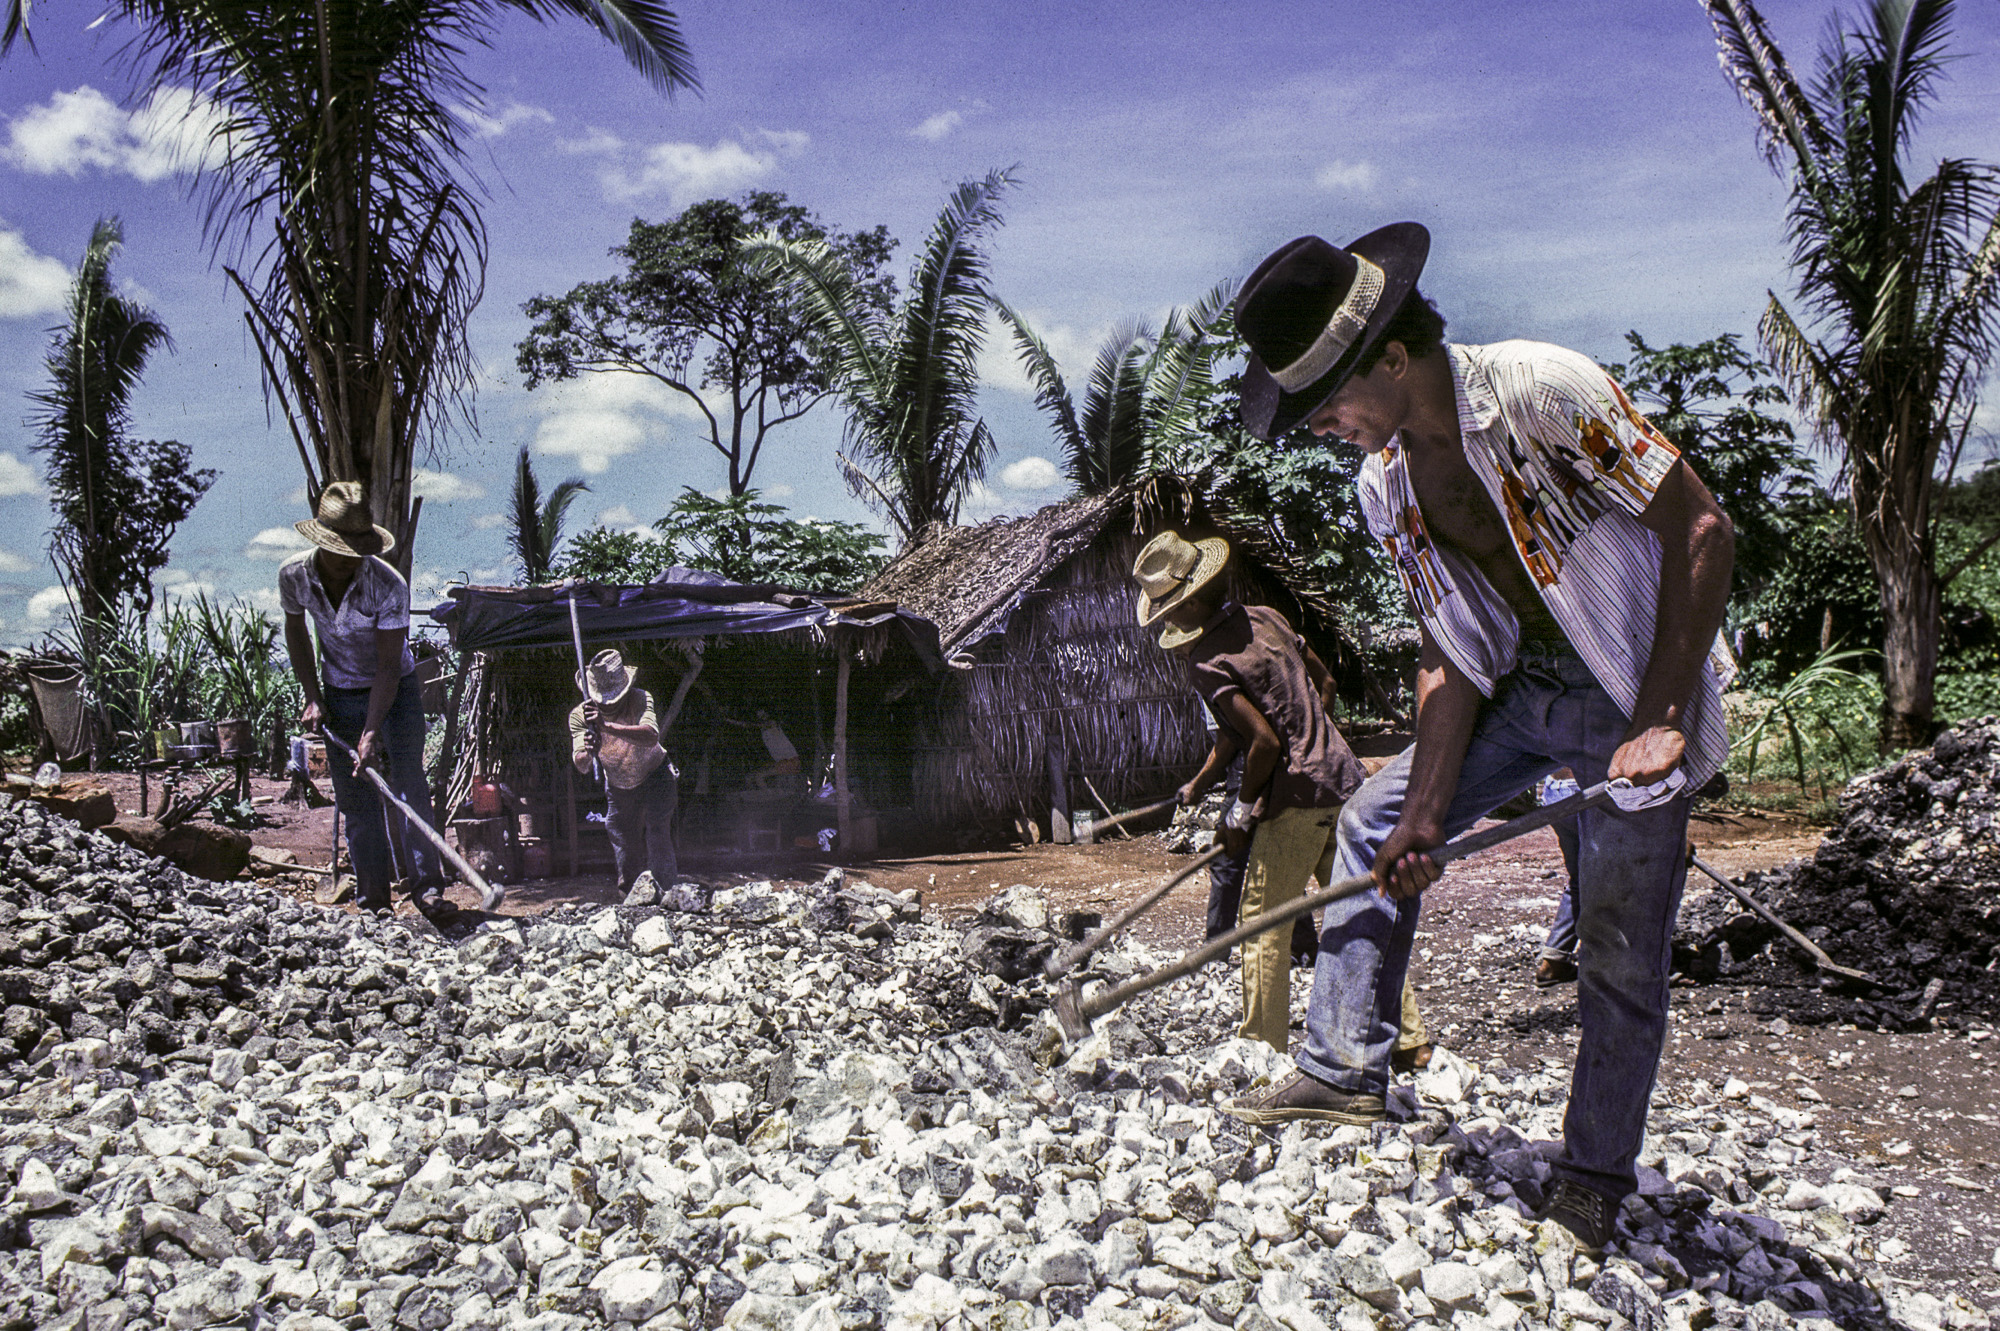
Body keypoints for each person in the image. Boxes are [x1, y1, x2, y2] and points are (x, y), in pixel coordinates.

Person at [1220, 223, 1735, 1254]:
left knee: (1618, 945)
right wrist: (1422, 815)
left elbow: (1700, 529)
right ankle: (1340, 1066)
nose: (1323, 425)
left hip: (1626, 692)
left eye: (1328, 403)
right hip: (1517, 692)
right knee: (1371, 820)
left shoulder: (1542, 392)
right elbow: (1449, 649)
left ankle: (1591, 1169)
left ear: (1394, 358)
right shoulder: (1385, 485)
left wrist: (1659, 717)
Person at [1135, 532, 1425, 1057]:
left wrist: (1242, 812)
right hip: (1343, 782)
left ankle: (1260, 1046)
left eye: (1168, 612)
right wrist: (1312, 747)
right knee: (1362, 906)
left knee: (1262, 924)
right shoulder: (1266, 617)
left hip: (1294, 802)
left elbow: (1264, 741)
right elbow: (1323, 685)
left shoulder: (1206, 661)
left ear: (1192, 601)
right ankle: (1407, 1037)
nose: (1167, 623)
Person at [280, 481, 443, 916]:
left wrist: (371, 733)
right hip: (338, 690)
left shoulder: (388, 585)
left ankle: (428, 888)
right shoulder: (294, 575)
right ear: (324, 542)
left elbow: (389, 667)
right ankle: (373, 898)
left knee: (408, 784)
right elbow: (296, 633)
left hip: (397, 689)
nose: (351, 560)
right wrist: (313, 697)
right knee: (355, 796)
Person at [570, 650, 680, 896]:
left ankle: (668, 896)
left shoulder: (640, 698)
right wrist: (589, 751)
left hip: (656, 774)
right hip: (619, 783)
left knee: (657, 833)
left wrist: (607, 727)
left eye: (615, 699)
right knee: (622, 838)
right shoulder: (579, 716)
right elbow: (581, 764)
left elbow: (651, 736)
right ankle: (630, 899)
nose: (609, 705)